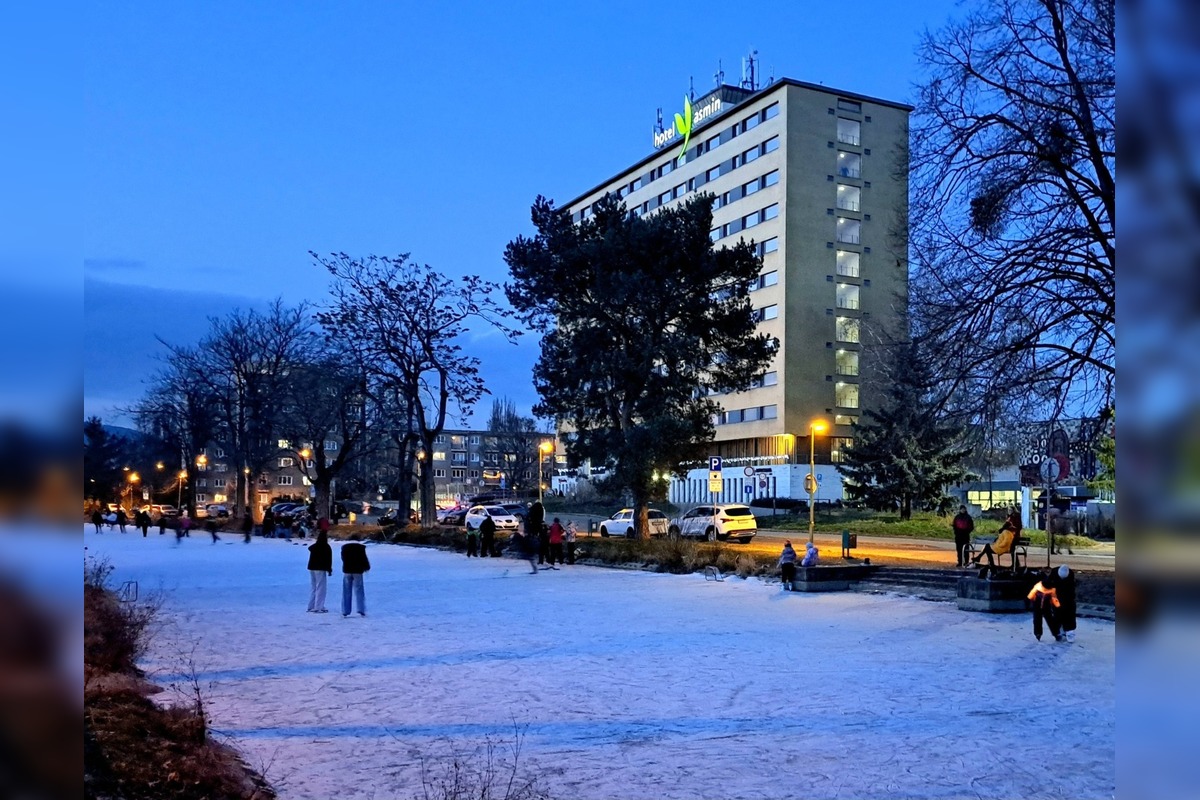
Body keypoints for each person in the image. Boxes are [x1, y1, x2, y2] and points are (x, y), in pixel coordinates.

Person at [1027, 572, 1063, 641]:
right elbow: (1031, 594)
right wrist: (1029, 601)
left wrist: (1058, 606)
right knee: (1037, 619)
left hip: (1046, 606)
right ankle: (1038, 633)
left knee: (1050, 620)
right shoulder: (1038, 586)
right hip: (1037, 605)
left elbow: (1054, 598)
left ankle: (1056, 633)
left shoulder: (1052, 588)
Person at [340, 541, 370, 617]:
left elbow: (343, 558)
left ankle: (345, 610)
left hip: (347, 571)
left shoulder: (344, 548)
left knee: (346, 591)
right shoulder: (361, 548)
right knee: (359, 591)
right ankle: (361, 609)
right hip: (358, 571)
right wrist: (366, 567)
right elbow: (364, 559)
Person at [306, 530, 333, 613]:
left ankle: (311, 605)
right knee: (321, 588)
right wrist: (329, 569)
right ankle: (319, 606)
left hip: (312, 568)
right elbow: (328, 560)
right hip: (320, 569)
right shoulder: (326, 547)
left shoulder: (314, 547)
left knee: (314, 587)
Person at [1051, 564, 1078, 643]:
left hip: (1067, 595)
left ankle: (1069, 630)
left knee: (1069, 611)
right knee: (1057, 612)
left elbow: (1071, 590)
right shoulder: (1054, 573)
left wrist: (1069, 599)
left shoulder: (1070, 574)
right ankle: (1059, 629)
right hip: (1056, 595)